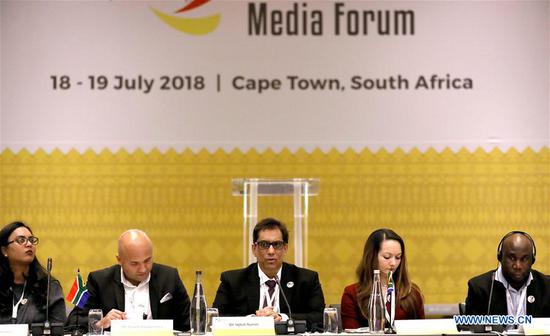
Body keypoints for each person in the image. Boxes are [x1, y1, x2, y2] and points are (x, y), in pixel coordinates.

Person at [213, 218, 325, 331]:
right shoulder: (233, 281)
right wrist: (253, 320)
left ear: (285, 249)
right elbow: (215, 318)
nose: (271, 251)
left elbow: (320, 317)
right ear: (254, 249)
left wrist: (282, 318)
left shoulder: (306, 279)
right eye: (264, 245)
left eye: (277, 244)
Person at [66, 229, 191, 332]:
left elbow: (190, 323)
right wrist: (100, 323)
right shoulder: (97, 280)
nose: (143, 269)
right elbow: (73, 322)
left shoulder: (170, 277)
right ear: (119, 259)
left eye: (147, 260)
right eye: (134, 263)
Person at [341, 228, 424, 329]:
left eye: (398, 257)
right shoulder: (352, 293)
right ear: (371, 257)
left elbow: (421, 330)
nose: (393, 263)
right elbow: (350, 332)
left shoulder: (412, 292)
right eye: (387, 257)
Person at [465, 231, 550, 318]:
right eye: (512, 258)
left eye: (524, 259)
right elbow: (470, 329)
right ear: (500, 257)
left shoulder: (547, 287)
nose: (518, 266)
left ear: (532, 260)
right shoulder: (480, 288)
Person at [0, 221, 66, 324]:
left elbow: (58, 329)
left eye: (31, 240)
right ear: (4, 251)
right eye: (21, 240)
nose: (29, 244)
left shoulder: (49, 286)